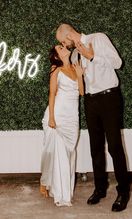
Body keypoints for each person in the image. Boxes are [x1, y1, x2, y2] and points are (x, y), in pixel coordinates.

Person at [56, 23, 131, 212]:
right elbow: (78, 84)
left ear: (69, 35)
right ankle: (100, 188)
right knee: (95, 147)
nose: (64, 45)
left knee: (114, 145)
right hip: (90, 101)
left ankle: (123, 191)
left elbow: (118, 63)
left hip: (109, 97)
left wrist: (93, 57)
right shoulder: (74, 55)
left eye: (63, 42)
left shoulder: (98, 39)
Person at [40, 45, 84, 207]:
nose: (64, 47)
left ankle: (50, 182)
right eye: (60, 48)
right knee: (56, 153)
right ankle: (61, 193)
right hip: (57, 116)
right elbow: (52, 94)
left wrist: (80, 75)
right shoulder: (55, 70)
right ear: (58, 56)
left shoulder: (74, 67)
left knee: (69, 153)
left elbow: (81, 92)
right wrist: (51, 117)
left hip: (72, 117)